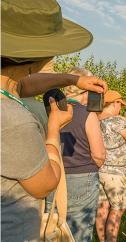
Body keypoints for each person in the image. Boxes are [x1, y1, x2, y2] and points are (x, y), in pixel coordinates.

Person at [1, 0, 107, 241]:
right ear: (34, 57)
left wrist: (72, 80)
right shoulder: (14, 119)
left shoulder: (6, 88)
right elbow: (45, 184)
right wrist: (53, 128)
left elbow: (21, 84)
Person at [55, 67, 106, 242]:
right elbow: (99, 154)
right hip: (82, 175)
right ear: (87, 88)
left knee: (56, 230)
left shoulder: (52, 111)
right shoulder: (86, 114)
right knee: (79, 231)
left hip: (55, 175)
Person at [96, 90, 126, 242]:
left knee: (102, 209)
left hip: (99, 169)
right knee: (117, 210)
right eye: (120, 104)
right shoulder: (117, 121)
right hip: (117, 172)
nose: (121, 107)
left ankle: (101, 239)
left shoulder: (94, 119)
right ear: (115, 103)